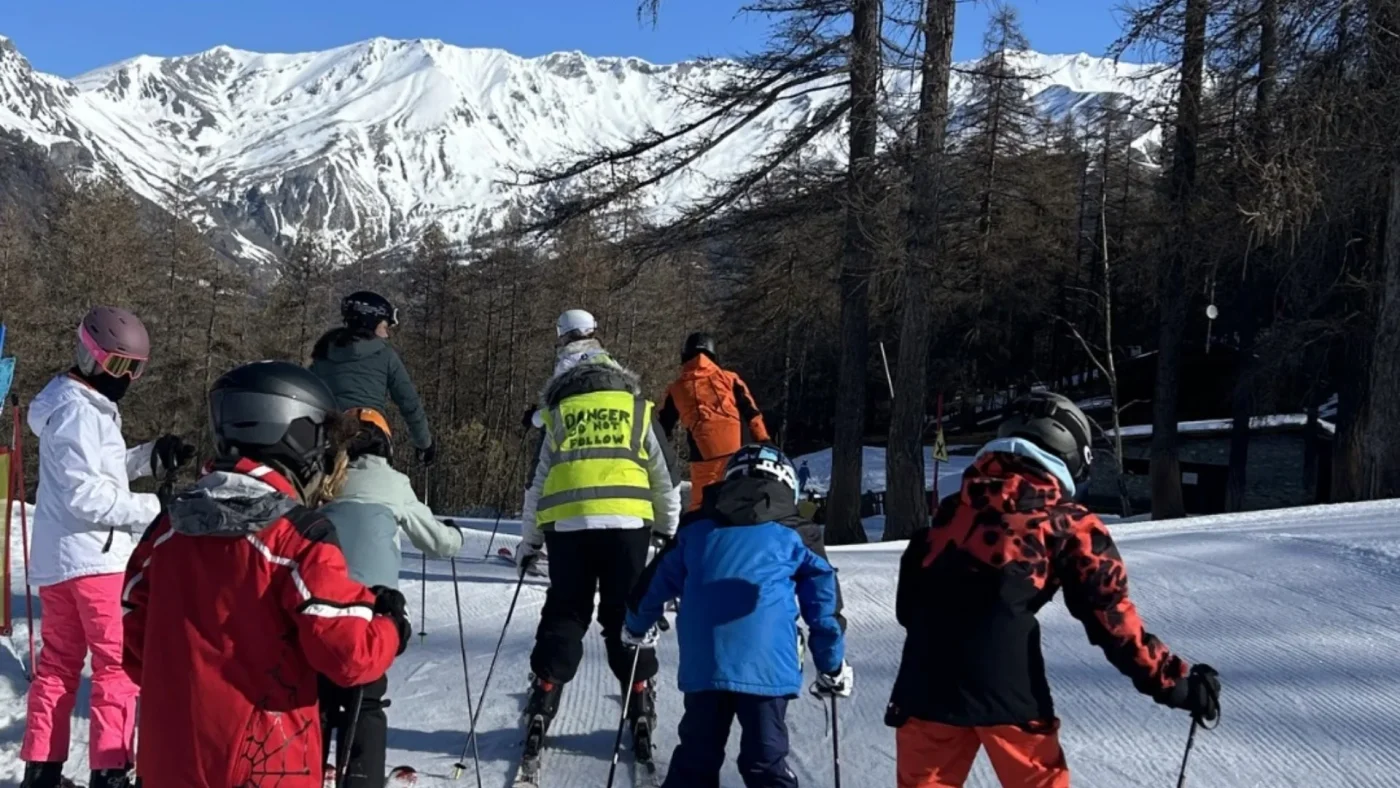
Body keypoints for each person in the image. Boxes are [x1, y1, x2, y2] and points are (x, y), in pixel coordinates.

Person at [886, 392, 1221, 788]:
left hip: (924, 684)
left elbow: (909, 609)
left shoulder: (950, 511)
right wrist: (1174, 683)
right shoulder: (1064, 521)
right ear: (1071, 454)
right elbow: (1109, 617)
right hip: (1008, 687)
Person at [121, 361, 409, 788]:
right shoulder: (296, 537)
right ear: (298, 437)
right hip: (268, 766)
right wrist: (389, 626)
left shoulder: (166, 532)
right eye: (323, 443)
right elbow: (349, 656)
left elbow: (136, 651)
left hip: (170, 763)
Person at [20, 306, 195, 788]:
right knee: (115, 668)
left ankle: (42, 769)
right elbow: (86, 496)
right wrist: (156, 508)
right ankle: (110, 770)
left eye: (135, 368)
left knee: (56, 666)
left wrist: (150, 454)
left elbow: (102, 470)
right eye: (120, 366)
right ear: (92, 358)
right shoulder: (79, 411)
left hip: (61, 563)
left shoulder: (77, 405)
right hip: (95, 562)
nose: (128, 378)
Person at [625, 444, 851, 788]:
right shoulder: (798, 533)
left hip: (706, 663)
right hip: (768, 667)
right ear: (788, 485)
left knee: (696, 758)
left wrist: (635, 627)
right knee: (765, 759)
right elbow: (824, 608)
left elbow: (652, 585)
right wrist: (832, 666)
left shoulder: (695, 528)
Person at [516, 347, 683, 764]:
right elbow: (665, 476)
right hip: (628, 523)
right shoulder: (638, 409)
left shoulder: (559, 414)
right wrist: (668, 529)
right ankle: (640, 697)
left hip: (567, 523)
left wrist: (529, 542)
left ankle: (545, 694)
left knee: (567, 609)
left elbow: (537, 485)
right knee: (626, 614)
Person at [317, 408, 465, 788]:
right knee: (365, 700)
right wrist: (456, 536)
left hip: (317, 608)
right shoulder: (394, 483)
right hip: (371, 615)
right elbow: (437, 541)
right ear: (386, 446)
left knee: (314, 698)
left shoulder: (321, 479)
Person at [310, 290, 434, 465]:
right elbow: (409, 403)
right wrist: (424, 444)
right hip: (373, 439)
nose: (387, 335)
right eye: (384, 327)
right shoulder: (385, 355)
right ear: (370, 323)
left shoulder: (323, 353)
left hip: (331, 440)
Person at [659, 332, 771, 511]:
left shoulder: (676, 388)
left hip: (703, 455)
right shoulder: (730, 378)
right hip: (739, 453)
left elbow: (662, 427)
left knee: (702, 508)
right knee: (741, 504)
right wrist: (764, 441)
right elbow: (752, 413)